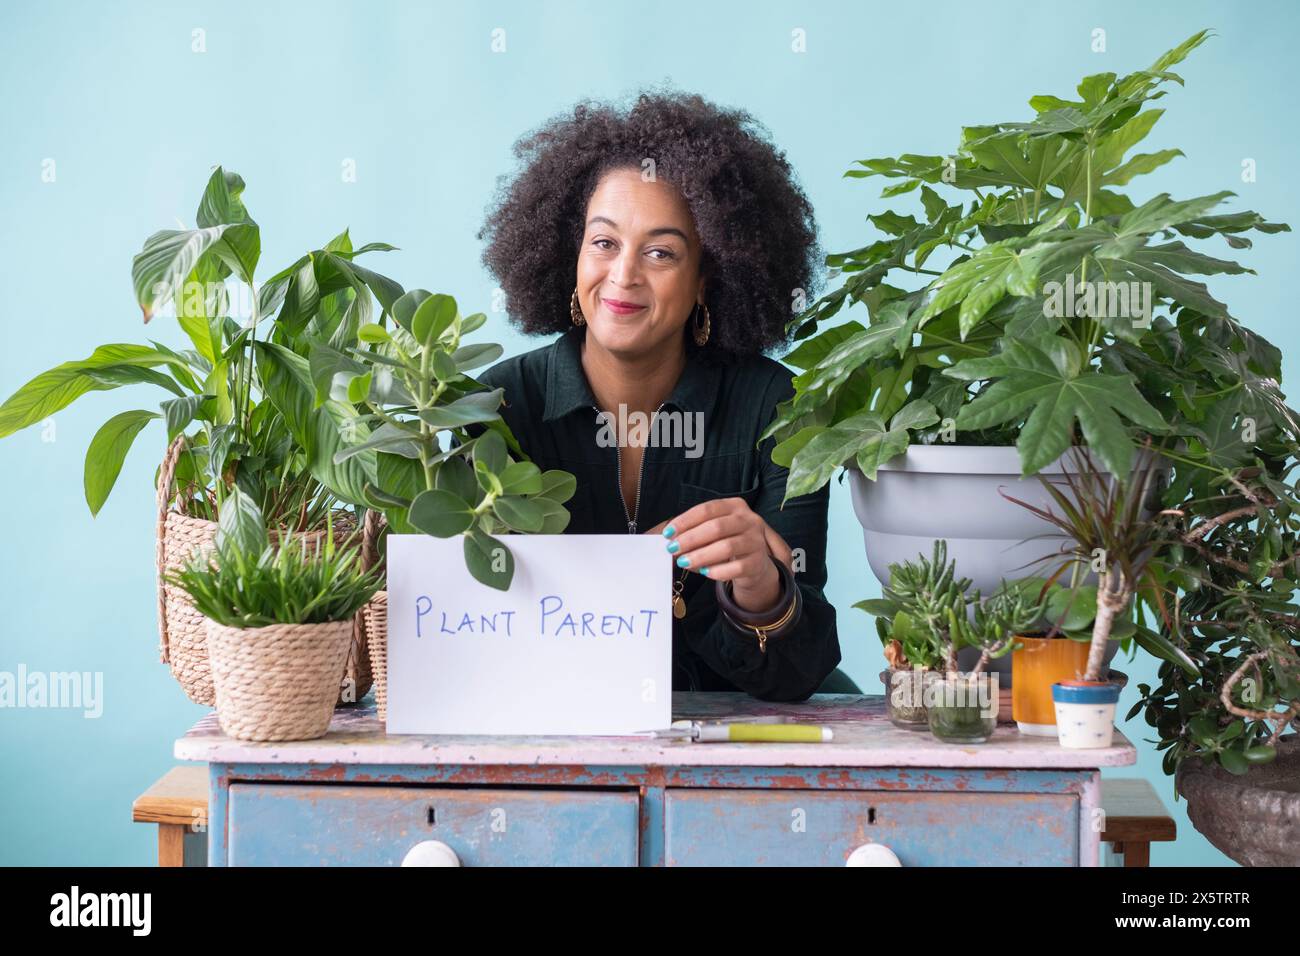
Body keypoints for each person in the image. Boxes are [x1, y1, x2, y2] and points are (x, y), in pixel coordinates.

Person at [473, 90, 846, 701]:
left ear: (706, 279)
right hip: (559, 724)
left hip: (725, 737)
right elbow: (482, 632)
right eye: (604, 242)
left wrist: (762, 591)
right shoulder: (498, 405)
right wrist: (632, 570)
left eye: (661, 252)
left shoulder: (773, 405)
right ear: (570, 257)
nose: (623, 276)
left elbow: (801, 670)